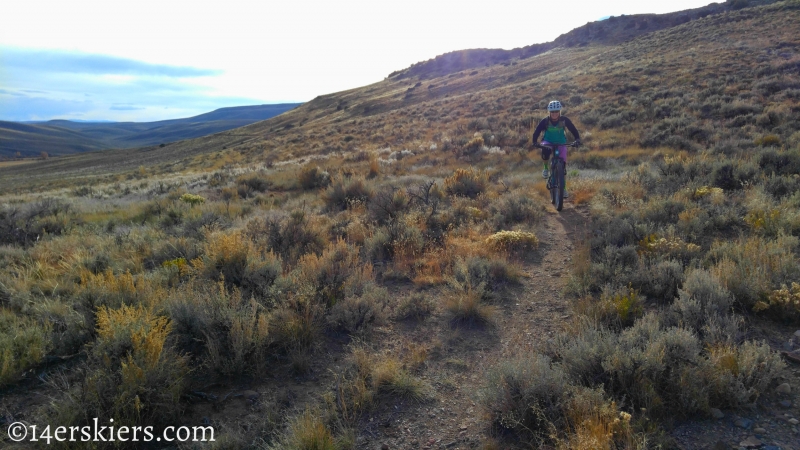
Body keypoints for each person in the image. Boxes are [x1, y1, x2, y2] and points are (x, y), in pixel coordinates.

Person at [532, 100, 581, 197]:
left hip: (561, 142)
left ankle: (564, 189)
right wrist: (534, 141)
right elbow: (536, 131)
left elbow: (573, 129)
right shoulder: (545, 121)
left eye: (556, 111)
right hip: (548, 141)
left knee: (562, 168)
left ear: (559, 111)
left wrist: (577, 139)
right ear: (549, 112)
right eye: (552, 112)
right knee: (545, 149)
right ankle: (546, 168)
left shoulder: (564, 120)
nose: (554, 114)